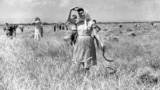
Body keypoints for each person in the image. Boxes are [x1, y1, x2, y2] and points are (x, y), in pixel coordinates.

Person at [68, 7, 104, 74]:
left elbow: (96, 33)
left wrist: (101, 42)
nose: (80, 14)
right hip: (79, 41)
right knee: (78, 58)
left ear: (86, 13)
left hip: (88, 42)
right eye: (79, 13)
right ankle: (80, 74)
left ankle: (86, 74)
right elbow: (69, 19)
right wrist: (70, 10)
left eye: (82, 12)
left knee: (87, 59)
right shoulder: (78, 22)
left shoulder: (91, 22)